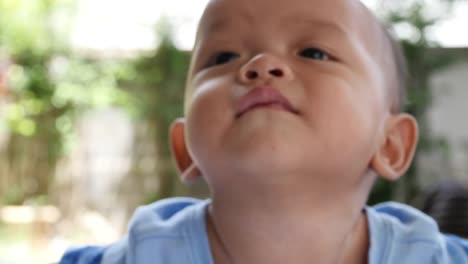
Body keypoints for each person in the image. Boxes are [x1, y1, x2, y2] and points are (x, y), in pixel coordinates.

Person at [60, 0, 468, 263]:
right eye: (223, 56)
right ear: (185, 148)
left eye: (313, 52)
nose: (259, 65)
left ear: (391, 144)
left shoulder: (430, 257)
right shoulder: (141, 255)